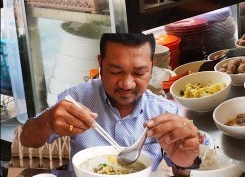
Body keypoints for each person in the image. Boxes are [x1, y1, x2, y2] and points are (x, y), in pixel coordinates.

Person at [20, 33, 200, 174]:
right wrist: (46, 122)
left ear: (152, 67)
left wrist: (186, 162)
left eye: (139, 73)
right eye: (115, 71)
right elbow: (25, 143)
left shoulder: (165, 110)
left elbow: (183, 169)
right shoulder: (74, 99)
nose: (127, 84)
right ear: (100, 63)